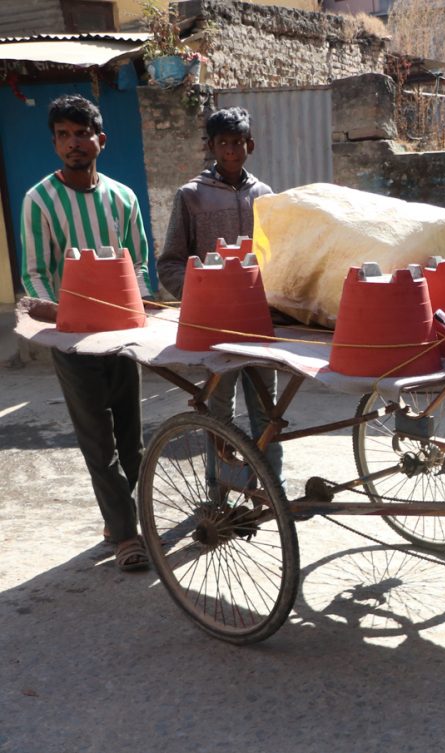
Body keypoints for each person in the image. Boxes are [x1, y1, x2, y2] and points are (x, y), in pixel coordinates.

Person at [20, 94, 153, 572]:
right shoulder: (39, 199)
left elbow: (138, 262)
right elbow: (33, 274)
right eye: (62, 135)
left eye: (81, 133)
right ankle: (125, 535)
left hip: (119, 334)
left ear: (101, 139)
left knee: (132, 439)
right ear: (54, 143)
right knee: (99, 440)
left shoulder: (123, 197)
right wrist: (58, 312)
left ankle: (124, 518)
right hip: (72, 340)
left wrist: (137, 302)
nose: (72, 144)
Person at [157, 107, 283, 489]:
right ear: (210, 146)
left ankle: (270, 492)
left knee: (268, 412)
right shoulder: (191, 196)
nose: (231, 150)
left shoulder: (265, 197)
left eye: (238, 142)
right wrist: (201, 299)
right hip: (215, 329)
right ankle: (220, 495)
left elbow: (277, 261)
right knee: (220, 414)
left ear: (251, 145)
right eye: (223, 143)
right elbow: (170, 264)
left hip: (261, 326)